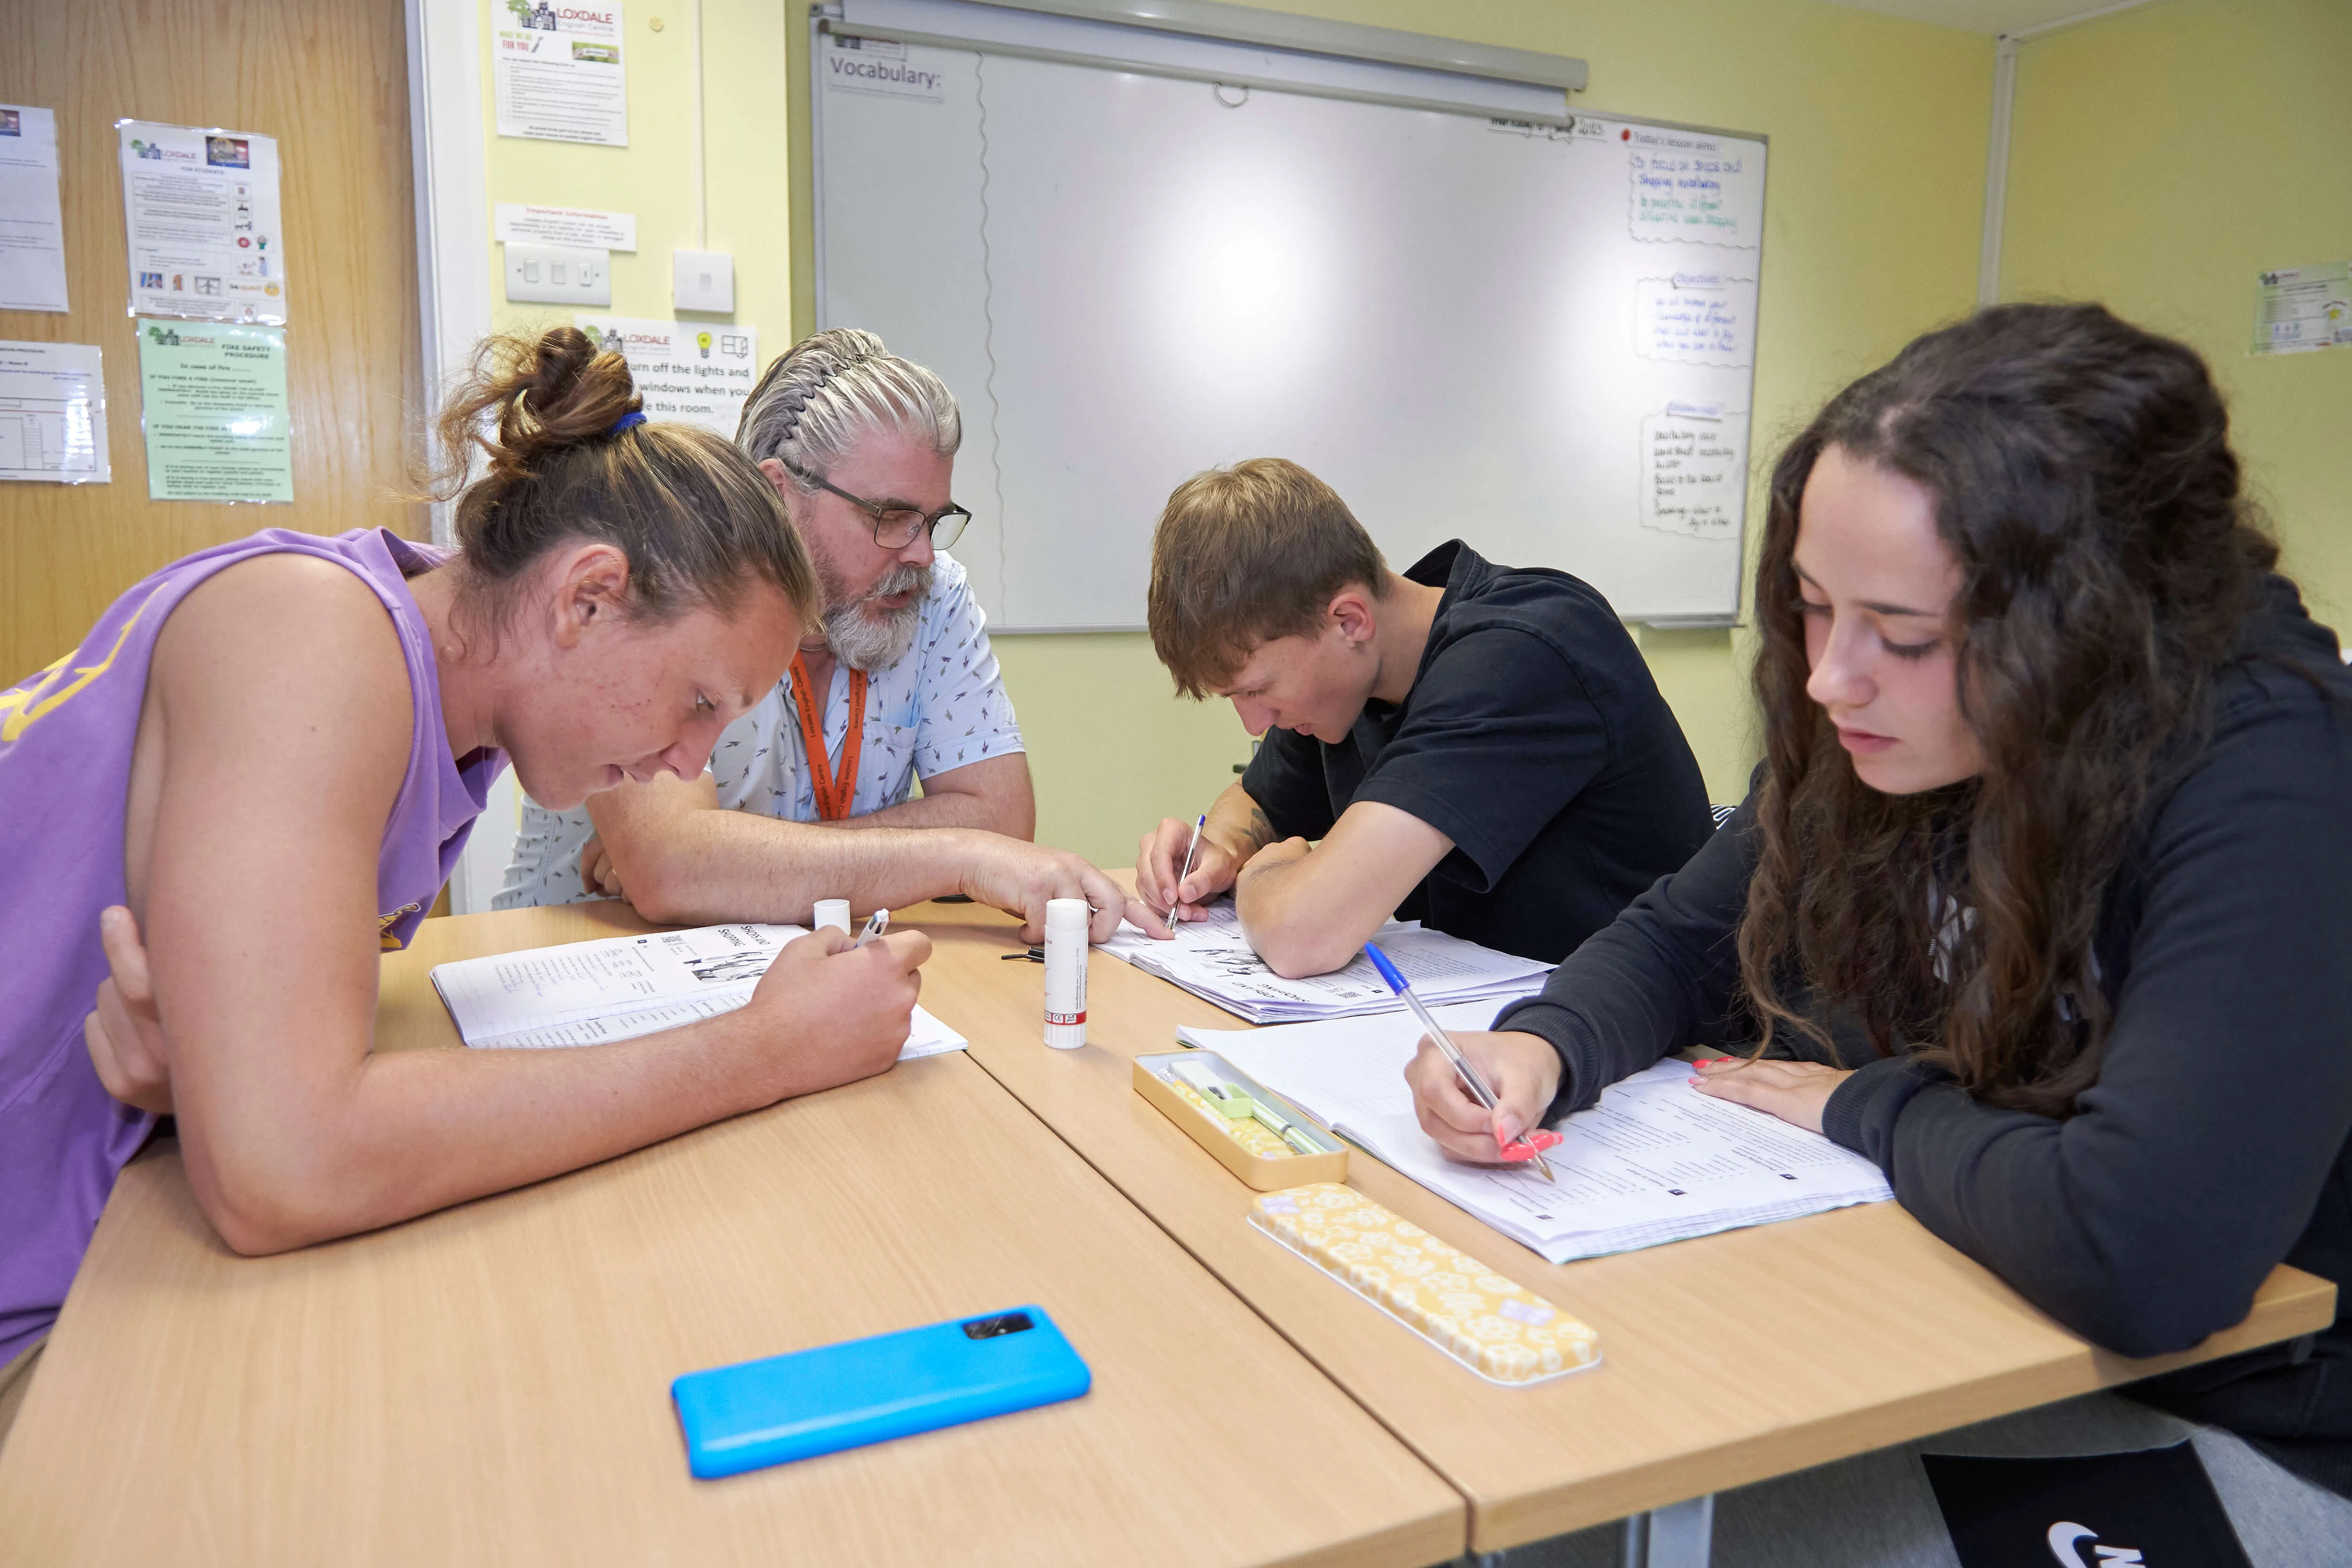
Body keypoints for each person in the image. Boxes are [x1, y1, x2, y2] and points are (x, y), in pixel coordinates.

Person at [1409, 304, 2352, 1559]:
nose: (1828, 678)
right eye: (1810, 606)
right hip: (1979, 1316)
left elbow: (2145, 1251)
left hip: (2239, 1406)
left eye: (1900, 636)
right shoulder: (1890, 722)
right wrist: (1546, 1046)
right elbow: (1686, 936)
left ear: (2078, 632)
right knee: (1542, 1490)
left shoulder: (2275, 775)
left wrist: (1867, 1107)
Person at [0, 328, 930, 1446]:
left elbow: (270, 1100)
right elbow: (286, 1165)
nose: (691, 764)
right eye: (697, 701)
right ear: (585, 598)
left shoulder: (453, 732)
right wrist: (762, 1048)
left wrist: (222, 1082)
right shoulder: (314, 634)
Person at [498, 329, 1125, 944]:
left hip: (785, 970)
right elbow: (673, 866)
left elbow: (1003, 819)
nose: (923, 553)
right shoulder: (665, 584)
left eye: (932, 520)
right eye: (890, 517)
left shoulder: (931, 594)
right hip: (574, 966)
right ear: (779, 494)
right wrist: (957, 855)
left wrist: (740, 861)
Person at [1130, 458, 1714, 975]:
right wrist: (1224, 848)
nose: (1254, 724)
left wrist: (1261, 875)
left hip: (1657, 1050)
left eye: (1259, 690)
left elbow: (1303, 932)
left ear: (1349, 620)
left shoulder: (1520, 655)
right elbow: (1257, 800)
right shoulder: (1351, 678)